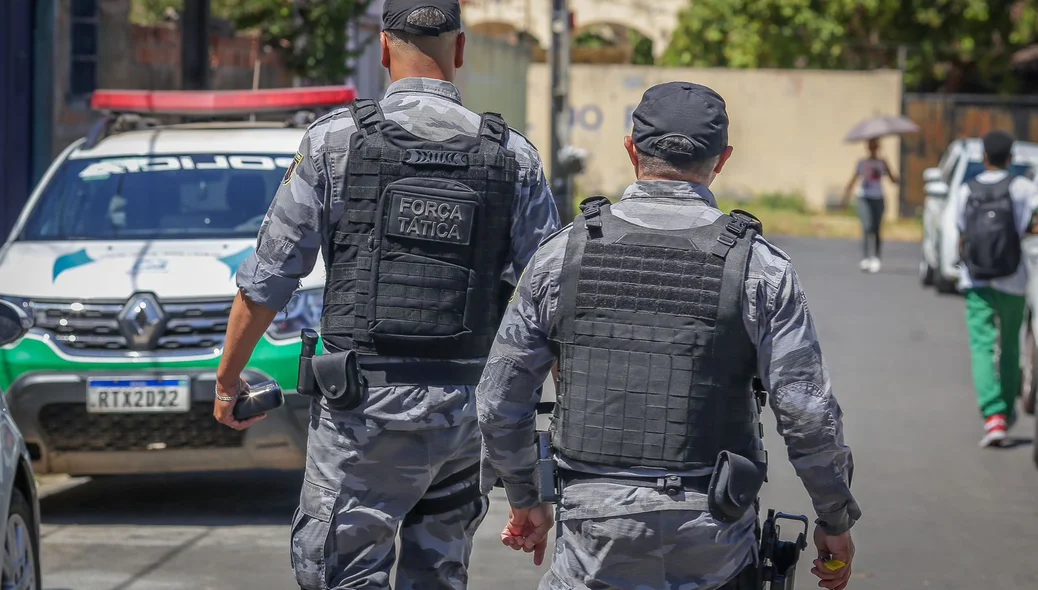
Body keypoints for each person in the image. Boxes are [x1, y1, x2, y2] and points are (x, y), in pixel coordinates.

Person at [211, 0, 561, 587]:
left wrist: (228, 382)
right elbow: (550, 304)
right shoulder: (513, 157)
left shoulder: (334, 144)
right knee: (439, 574)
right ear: (460, 49)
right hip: (464, 415)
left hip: (361, 414)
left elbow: (268, 279)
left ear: (381, 49)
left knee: (341, 574)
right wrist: (533, 451)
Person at [476, 81, 861, 590]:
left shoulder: (560, 255)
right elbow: (807, 413)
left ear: (632, 149)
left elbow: (498, 399)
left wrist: (526, 497)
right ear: (721, 160)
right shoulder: (759, 267)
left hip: (594, 530)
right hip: (712, 530)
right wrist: (833, 519)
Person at [957, 130, 1038, 448]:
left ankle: (993, 416)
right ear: (1011, 159)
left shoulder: (967, 190)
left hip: (976, 280)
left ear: (984, 158)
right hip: (1013, 279)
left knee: (982, 345)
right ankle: (1006, 408)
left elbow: (960, 230)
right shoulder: (1023, 188)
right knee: (1011, 345)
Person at [841, 138, 899, 273]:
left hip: (878, 198)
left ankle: (876, 258)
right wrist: (845, 198)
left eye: (875, 144)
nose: (872, 147)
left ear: (878, 146)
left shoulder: (882, 163)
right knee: (866, 227)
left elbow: (893, 180)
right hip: (864, 198)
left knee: (877, 228)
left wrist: (888, 164)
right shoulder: (862, 163)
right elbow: (853, 180)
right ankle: (866, 257)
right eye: (870, 144)